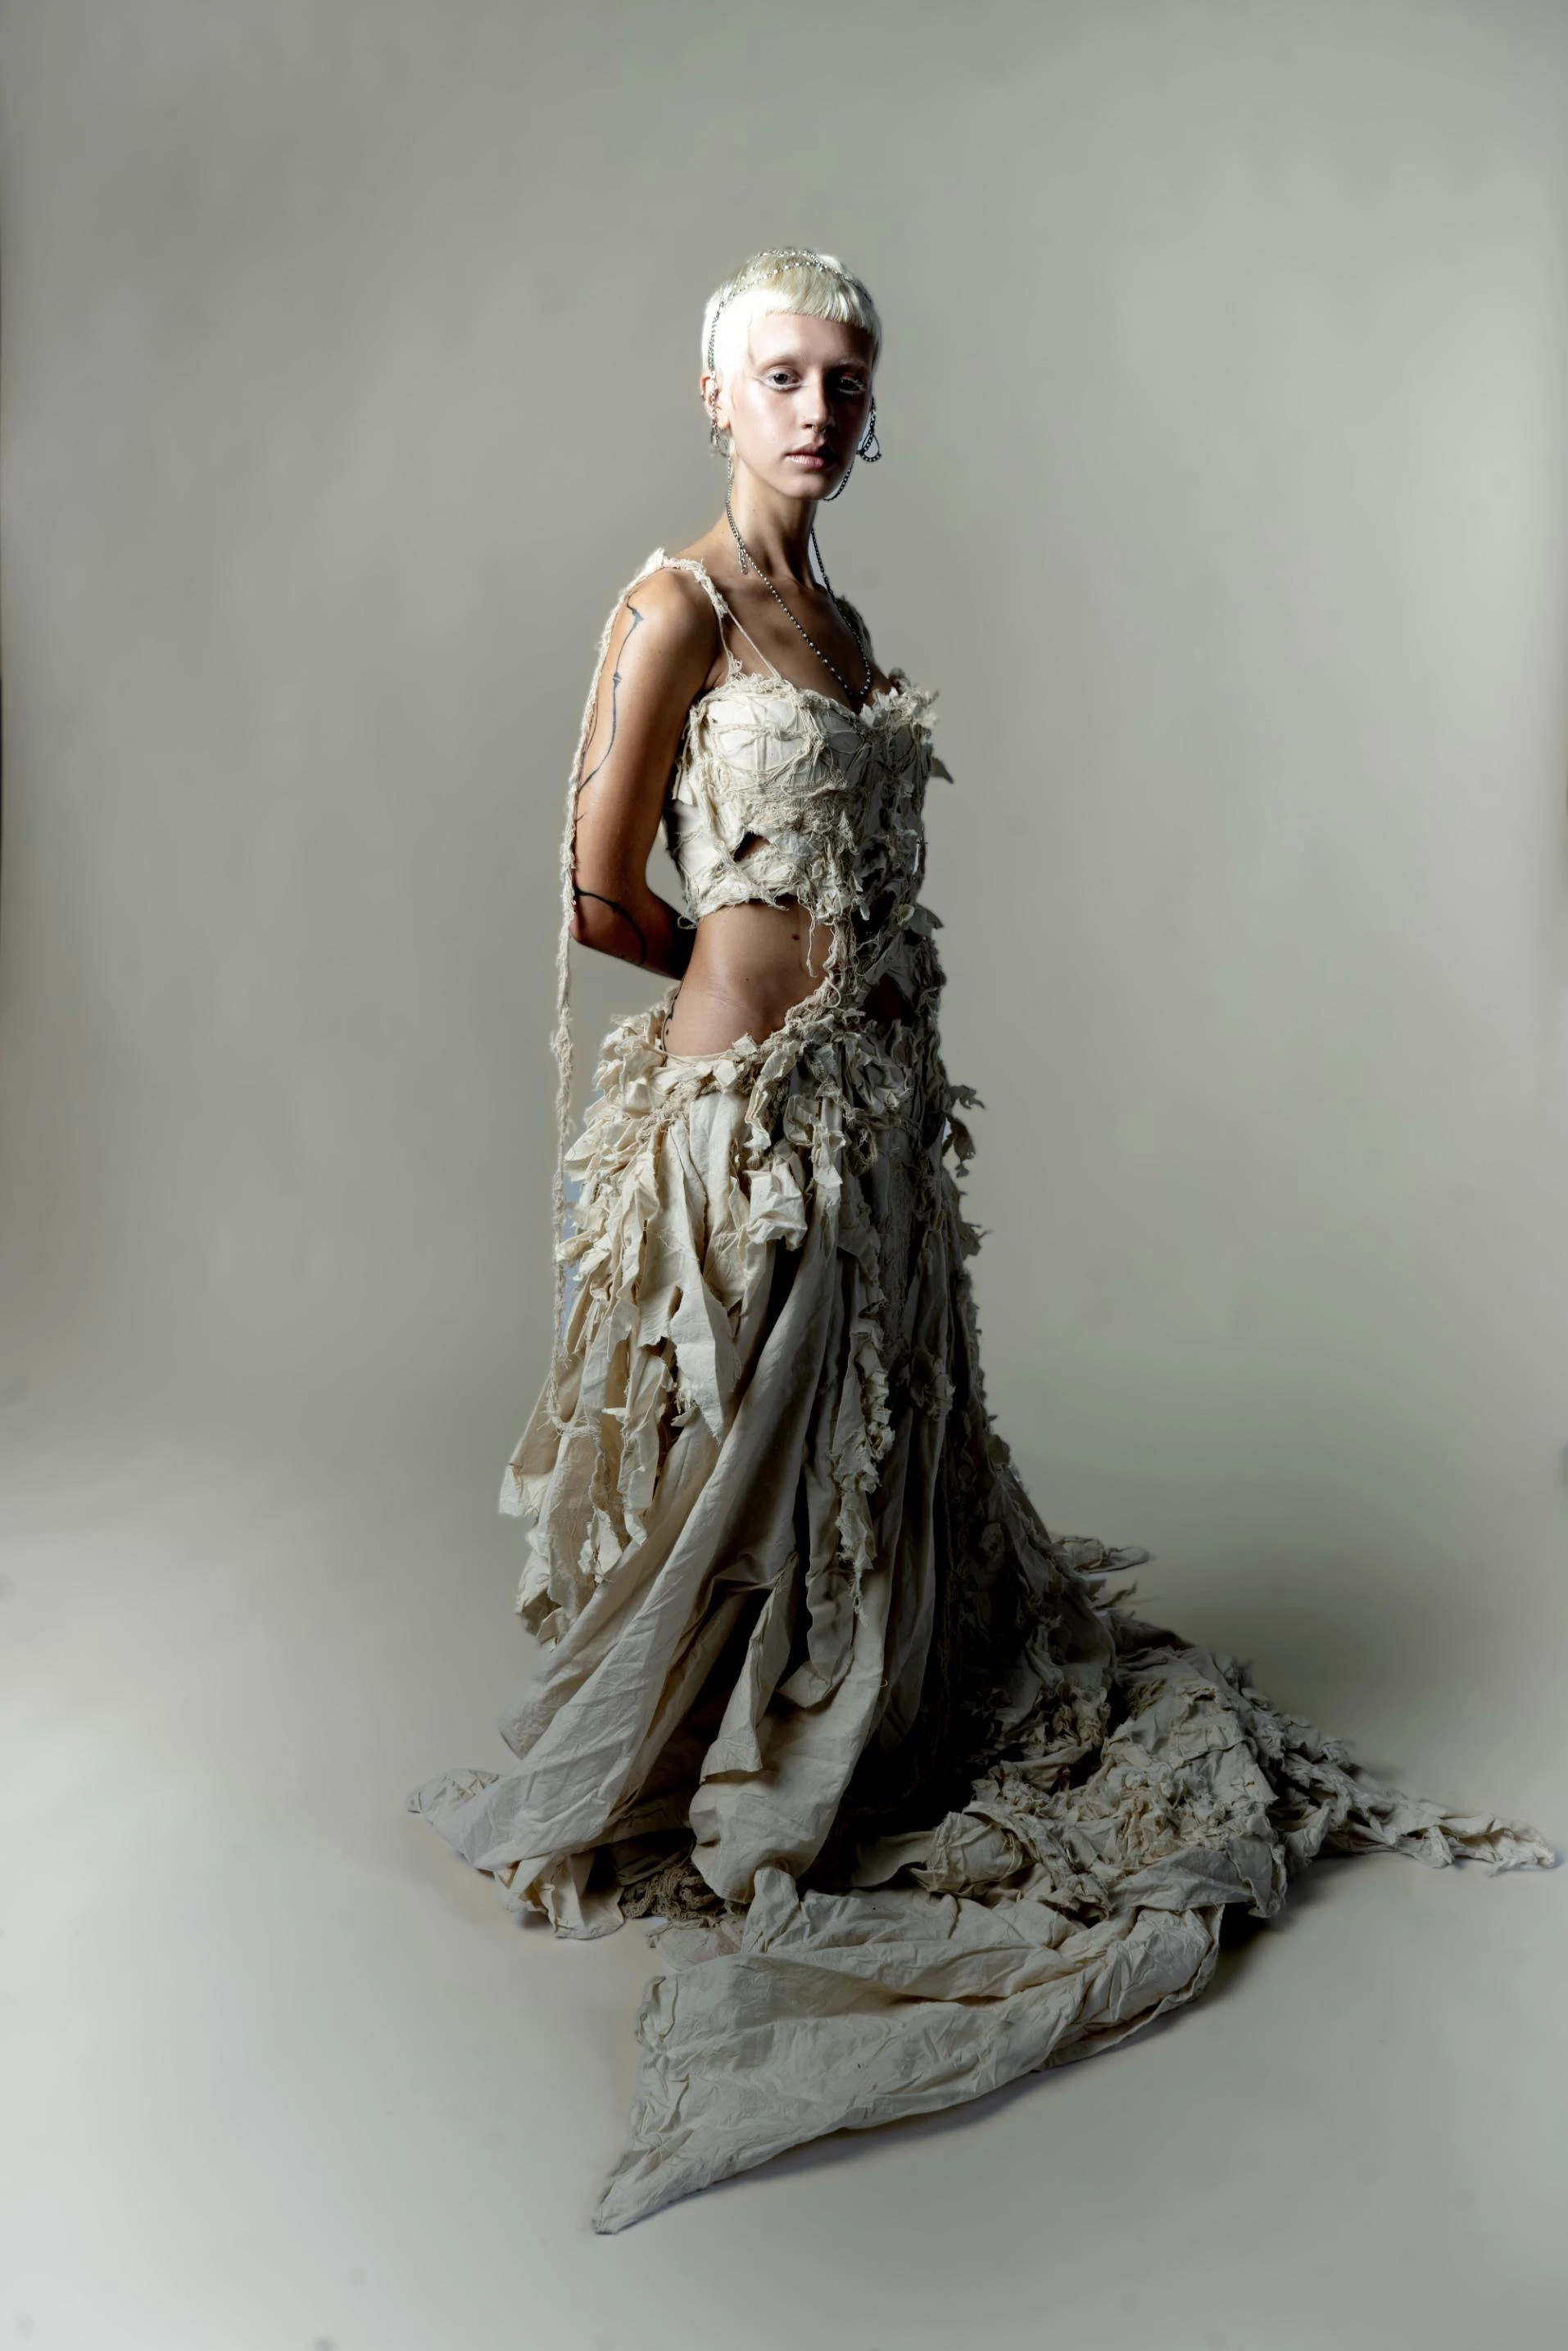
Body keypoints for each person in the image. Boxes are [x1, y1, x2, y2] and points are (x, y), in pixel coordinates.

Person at [409, 246, 1556, 2234]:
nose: (817, 409)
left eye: (846, 379)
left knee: (868, 1468)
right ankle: (720, 1768)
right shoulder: (675, 605)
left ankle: (839, 1734)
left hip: (882, 1109)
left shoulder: (840, 623)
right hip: (759, 1121)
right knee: (745, 1469)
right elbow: (598, 889)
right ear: (715, 394)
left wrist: (857, 1019)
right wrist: (749, 995)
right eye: (783, 375)